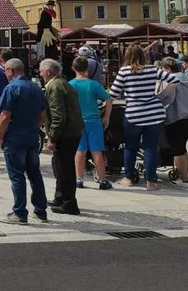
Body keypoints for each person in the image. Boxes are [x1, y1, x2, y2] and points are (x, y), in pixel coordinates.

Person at [109, 44, 180, 191]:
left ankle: (128, 178)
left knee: (130, 147)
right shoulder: (152, 69)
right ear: (143, 55)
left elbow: (113, 94)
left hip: (134, 114)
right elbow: (175, 80)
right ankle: (151, 182)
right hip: (154, 113)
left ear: (127, 56)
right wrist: (161, 95)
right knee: (151, 148)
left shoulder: (124, 71)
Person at [0, 58, 48, 224]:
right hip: (32, 136)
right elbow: (43, 116)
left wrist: (0, 137)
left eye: (5, 70)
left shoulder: (11, 88)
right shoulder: (36, 88)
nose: (5, 74)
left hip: (15, 137)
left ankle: (19, 212)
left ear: (11, 70)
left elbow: (5, 115)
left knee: (17, 175)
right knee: (35, 173)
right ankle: (40, 210)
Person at [39, 59, 84, 215]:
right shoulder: (63, 83)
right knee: (59, 166)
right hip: (73, 131)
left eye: (41, 71)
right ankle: (60, 197)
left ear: (48, 72)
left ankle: (69, 203)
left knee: (65, 169)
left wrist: (51, 138)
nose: (40, 74)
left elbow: (59, 116)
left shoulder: (55, 86)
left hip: (66, 133)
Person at [69, 56, 113, 191]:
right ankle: (102, 180)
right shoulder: (94, 84)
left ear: (73, 68)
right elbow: (109, 99)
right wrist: (106, 116)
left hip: (78, 122)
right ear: (87, 69)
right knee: (97, 151)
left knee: (80, 151)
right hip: (94, 121)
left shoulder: (70, 85)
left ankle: (79, 179)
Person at [159, 57, 188, 186]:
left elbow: (168, 99)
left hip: (176, 118)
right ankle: (184, 174)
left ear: (168, 69)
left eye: (163, 70)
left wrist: (157, 101)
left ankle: (184, 179)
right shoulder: (184, 78)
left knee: (177, 150)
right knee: (182, 148)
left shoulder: (172, 80)